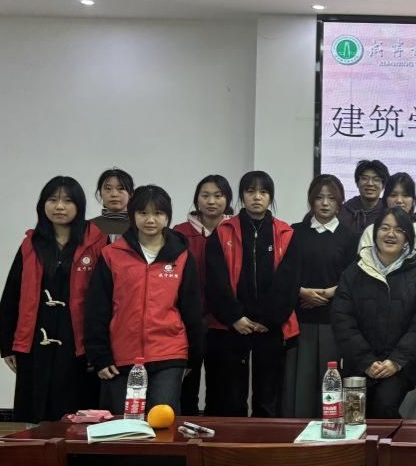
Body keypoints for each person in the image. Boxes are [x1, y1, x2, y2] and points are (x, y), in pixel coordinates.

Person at [85, 184, 204, 416]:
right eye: (143, 213)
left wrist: (194, 357)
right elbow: (97, 309)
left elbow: (192, 309)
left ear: (167, 216)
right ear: (132, 215)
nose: (150, 220)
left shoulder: (182, 256)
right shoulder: (112, 254)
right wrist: (99, 356)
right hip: (122, 355)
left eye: (158, 213)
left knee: (162, 419)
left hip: (169, 352)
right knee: (125, 423)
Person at [0, 176, 107, 421]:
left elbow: (105, 298)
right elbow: (11, 295)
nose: (59, 207)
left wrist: (100, 347)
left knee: (77, 413)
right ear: (42, 205)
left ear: (79, 206)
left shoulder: (96, 243)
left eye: (68, 201)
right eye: (52, 200)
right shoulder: (31, 244)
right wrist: (7, 345)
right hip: (36, 337)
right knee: (34, 410)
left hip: (78, 339)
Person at [205, 170, 300, 417]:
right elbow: (215, 281)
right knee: (231, 397)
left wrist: (269, 320)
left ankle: (265, 440)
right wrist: (235, 317)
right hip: (233, 326)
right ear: (241, 196)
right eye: (250, 191)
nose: (257, 197)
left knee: (268, 397)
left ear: (270, 197)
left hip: (270, 328)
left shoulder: (285, 233)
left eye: (263, 192)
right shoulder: (223, 232)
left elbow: (288, 283)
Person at [330, 208, 416, 419]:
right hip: (359, 363)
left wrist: (395, 361)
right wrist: (366, 361)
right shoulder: (354, 273)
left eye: (399, 230)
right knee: (354, 417)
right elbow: (342, 320)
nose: (391, 234)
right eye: (385, 228)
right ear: (375, 232)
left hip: (399, 366)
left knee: (384, 407)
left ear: (407, 237)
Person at [283, 174, 358, 418]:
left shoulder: (350, 236)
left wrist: (332, 292)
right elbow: (284, 271)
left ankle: (331, 426)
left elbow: (353, 274)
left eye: (331, 198)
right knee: (300, 382)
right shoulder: (295, 232)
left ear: (340, 202)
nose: (325, 203)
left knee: (330, 381)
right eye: (319, 198)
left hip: (333, 319)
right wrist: (300, 291)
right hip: (300, 318)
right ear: (311, 201)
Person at [173, 174, 233, 415]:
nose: (211, 201)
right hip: (188, 322)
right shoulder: (180, 232)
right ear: (197, 199)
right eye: (205, 195)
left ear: (227, 199)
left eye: (218, 196)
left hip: (225, 322)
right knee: (186, 387)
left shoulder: (235, 231)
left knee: (221, 389)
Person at [359, 172, 416, 271]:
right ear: (385, 199)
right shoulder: (371, 231)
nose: (399, 200)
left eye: (405, 195)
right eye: (393, 195)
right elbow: (363, 266)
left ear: (413, 200)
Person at [342, 159, 388, 233]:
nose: (370, 183)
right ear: (357, 183)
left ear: (383, 185)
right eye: (364, 178)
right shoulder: (346, 210)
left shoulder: (388, 211)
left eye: (376, 179)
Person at [90, 167, 133, 242]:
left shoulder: (140, 226)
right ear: (100, 193)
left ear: (131, 194)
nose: (114, 194)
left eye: (121, 188)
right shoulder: (89, 226)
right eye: (108, 188)